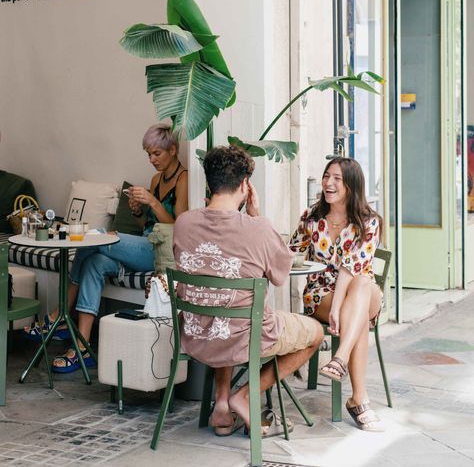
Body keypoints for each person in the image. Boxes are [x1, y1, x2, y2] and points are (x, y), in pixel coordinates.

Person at [173, 145, 323, 436]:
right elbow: (281, 274)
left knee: (224, 314)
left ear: (209, 182)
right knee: (315, 333)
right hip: (244, 336)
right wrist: (257, 217)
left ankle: (221, 406)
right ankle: (244, 395)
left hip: (196, 334)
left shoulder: (183, 223)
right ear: (245, 185)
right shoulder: (257, 228)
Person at [25, 122, 188, 373]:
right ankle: (81, 346)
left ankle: (59, 315)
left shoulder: (184, 179)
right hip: (143, 244)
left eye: (157, 153)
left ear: (173, 150)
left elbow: (179, 225)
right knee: (94, 262)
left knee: (98, 236)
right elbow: (147, 225)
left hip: (159, 251)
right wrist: (137, 212)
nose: (151, 160)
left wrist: (153, 202)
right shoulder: (157, 179)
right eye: (148, 154)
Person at [289, 157, 384, 431]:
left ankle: (339, 358)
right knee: (360, 315)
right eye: (326, 176)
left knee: (363, 284)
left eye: (337, 179)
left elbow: (351, 268)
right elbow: (291, 251)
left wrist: (338, 305)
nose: (328, 183)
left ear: (352, 186)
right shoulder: (311, 218)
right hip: (321, 294)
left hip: (356, 289)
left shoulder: (369, 222)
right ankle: (359, 399)